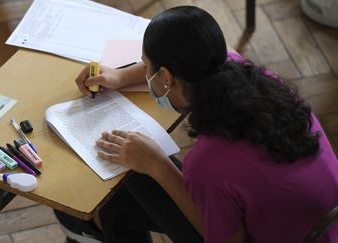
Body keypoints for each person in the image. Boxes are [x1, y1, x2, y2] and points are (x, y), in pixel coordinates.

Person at [55, 5, 338, 243]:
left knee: (126, 193)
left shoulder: (208, 162)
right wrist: (119, 77)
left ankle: (92, 226)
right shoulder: (248, 75)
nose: (146, 72)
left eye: (146, 66)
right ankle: (99, 224)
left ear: (166, 77)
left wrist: (159, 165)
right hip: (323, 226)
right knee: (123, 199)